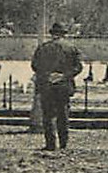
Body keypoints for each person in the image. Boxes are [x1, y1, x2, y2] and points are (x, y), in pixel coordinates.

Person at [31, 21, 84, 151]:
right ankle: (63, 144)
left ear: (52, 34)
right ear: (63, 34)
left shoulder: (42, 48)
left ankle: (50, 144)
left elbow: (34, 65)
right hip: (63, 85)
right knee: (63, 114)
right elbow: (78, 67)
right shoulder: (71, 48)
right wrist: (63, 76)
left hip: (46, 85)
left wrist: (47, 75)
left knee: (48, 116)